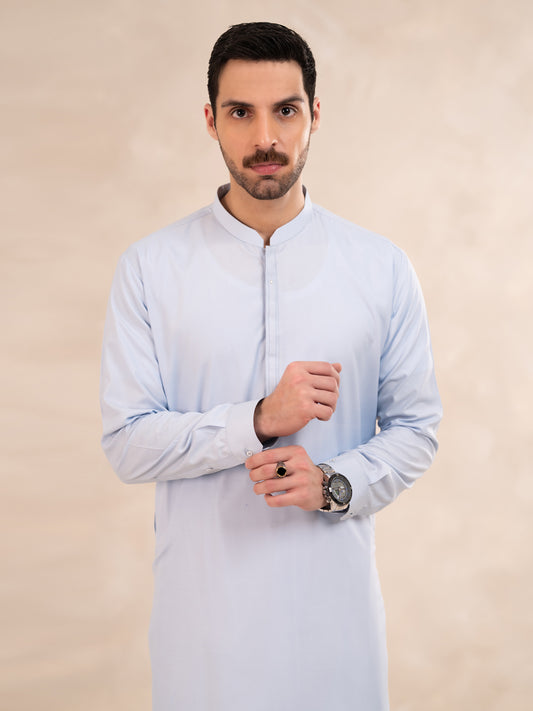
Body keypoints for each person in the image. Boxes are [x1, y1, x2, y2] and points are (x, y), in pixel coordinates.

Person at [100, 21, 442, 711]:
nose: (265, 137)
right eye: (240, 112)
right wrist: (255, 420)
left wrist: (334, 483)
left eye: (285, 110)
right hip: (203, 638)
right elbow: (127, 443)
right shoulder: (150, 268)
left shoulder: (379, 268)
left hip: (336, 632)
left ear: (314, 115)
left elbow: (416, 429)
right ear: (210, 120)